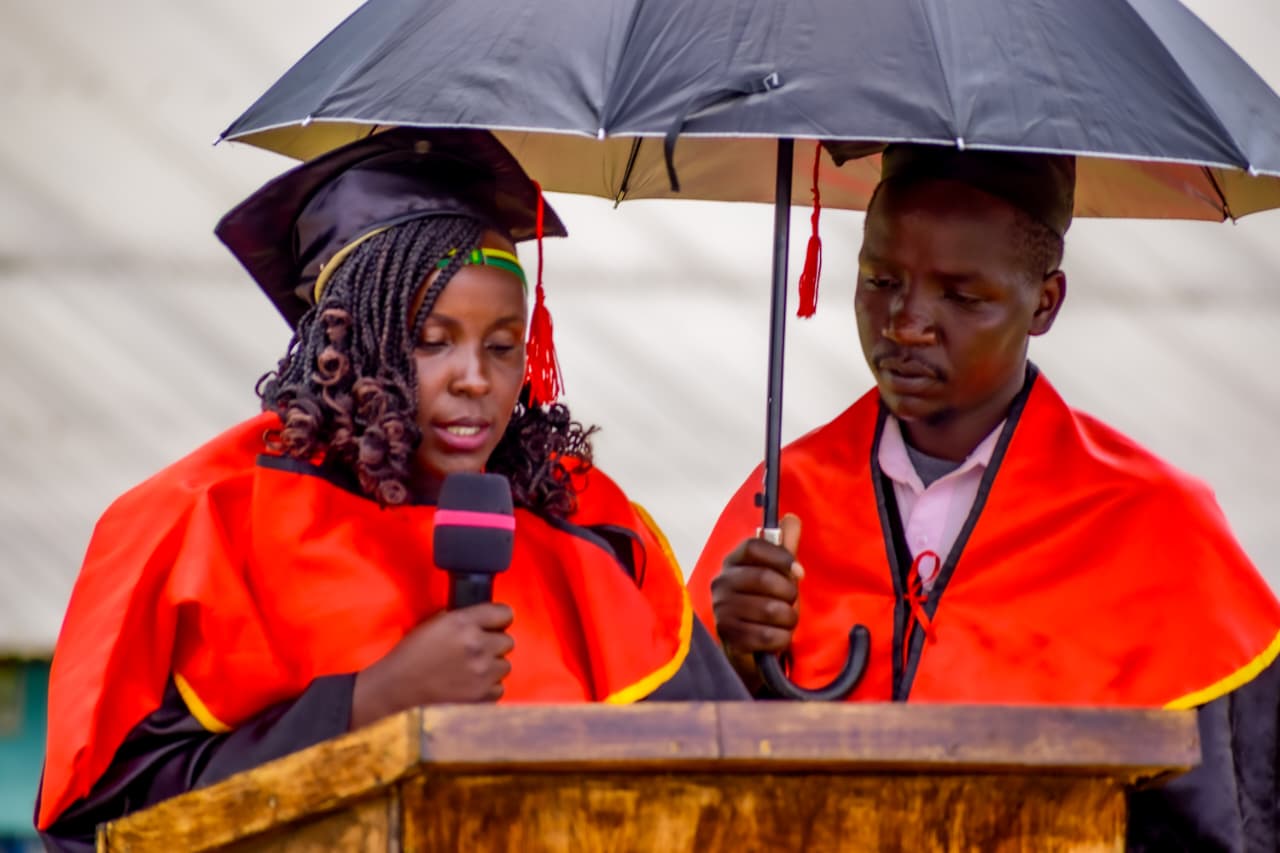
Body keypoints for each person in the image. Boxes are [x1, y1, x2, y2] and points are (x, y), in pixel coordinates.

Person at [37, 127, 746, 849]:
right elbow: (107, 824)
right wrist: (366, 703)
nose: (475, 378)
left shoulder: (591, 529)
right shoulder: (208, 520)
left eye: (503, 346)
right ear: (348, 344)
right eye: (432, 340)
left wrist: (760, 663)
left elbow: (734, 790)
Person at [687, 143, 1280, 851]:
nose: (905, 323)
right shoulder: (782, 501)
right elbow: (681, 800)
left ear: (1044, 303)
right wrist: (731, 664)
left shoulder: (1155, 526)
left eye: (962, 296)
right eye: (880, 280)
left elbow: (1226, 819)